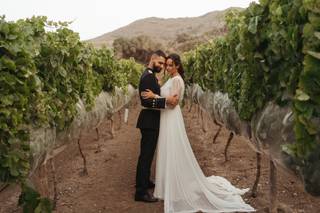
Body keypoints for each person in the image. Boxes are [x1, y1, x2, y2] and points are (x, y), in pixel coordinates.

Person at [141, 53, 255, 213]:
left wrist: (155, 96)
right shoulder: (172, 79)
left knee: (172, 149)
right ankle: (170, 183)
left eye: (171, 64)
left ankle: (174, 185)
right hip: (167, 118)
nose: (168, 67)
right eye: (166, 64)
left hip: (171, 117)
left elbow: (173, 104)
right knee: (169, 149)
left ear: (178, 66)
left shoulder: (177, 80)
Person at [135, 50, 179, 203]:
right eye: (159, 63)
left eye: (163, 63)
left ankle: (145, 182)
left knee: (148, 154)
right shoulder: (148, 77)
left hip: (150, 120)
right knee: (146, 156)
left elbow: (153, 95)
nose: (161, 66)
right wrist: (165, 100)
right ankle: (141, 192)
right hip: (149, 120)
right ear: (152, 59)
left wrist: (157, 93)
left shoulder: (150, 75)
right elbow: (147, 102)